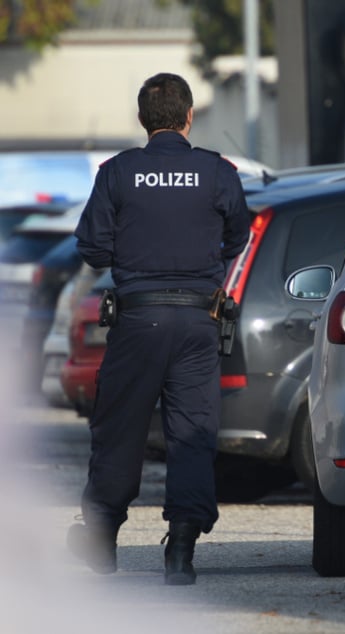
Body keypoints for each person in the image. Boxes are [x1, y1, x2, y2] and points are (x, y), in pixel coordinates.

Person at [66, 72, 251, 586]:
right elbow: (238, 232)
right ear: (189, 117)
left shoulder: (118, 172)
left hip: (137, 319)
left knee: (120, 429)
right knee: (192, 433)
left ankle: (101, 540)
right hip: (198, 320)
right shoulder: (216, 171)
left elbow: (92, 247)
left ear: (142, 120)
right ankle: (182, 552)